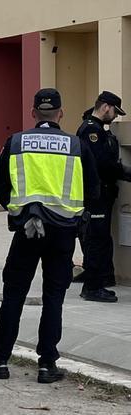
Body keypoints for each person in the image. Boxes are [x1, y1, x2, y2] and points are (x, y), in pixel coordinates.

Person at [0, 88, 99, 384]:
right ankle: (47, 365)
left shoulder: (16, 141)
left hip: (27, 230)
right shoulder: (77, 144)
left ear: (33, 113)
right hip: (63, 233)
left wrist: (18, 211)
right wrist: (75, 216)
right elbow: (93, 189)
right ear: (61, 113)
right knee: (54, 297)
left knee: (14, 295)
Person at [76, 91, 131, 302]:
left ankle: (102, 278)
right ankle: (92, 287)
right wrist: (126, 173)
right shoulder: (91, 130)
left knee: (101, 238)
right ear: (105, 107)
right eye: (115, 111)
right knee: (96, 239)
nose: (116, 116)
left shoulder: (98, 129)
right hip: (95, 194)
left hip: (102, 193)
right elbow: (101, 164)